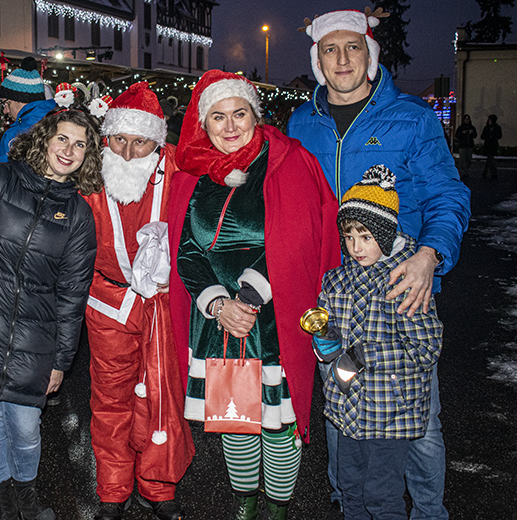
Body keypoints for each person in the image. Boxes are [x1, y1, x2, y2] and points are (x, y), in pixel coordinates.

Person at [287, 8, 471, 520]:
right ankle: (350, 504)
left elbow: (447, 194)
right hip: (336, 290)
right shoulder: (303, 122)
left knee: (418, 418)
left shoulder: (410, 117)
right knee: (340, 403)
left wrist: (430, 257)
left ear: (370, 55)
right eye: (330, 49)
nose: (342, 59)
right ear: (317, 60)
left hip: (399, 287)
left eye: (353, 47)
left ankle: (428, 512)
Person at [167, 70, 340, 520]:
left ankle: (277, 511)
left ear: (255, 115)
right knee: (236, 423)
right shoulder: (197, 174)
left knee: (279, 426)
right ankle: (245, 507)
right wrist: (217, 303)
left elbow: (298, 239)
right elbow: (184, 249)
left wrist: (245, 298)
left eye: (238, 114)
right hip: (218, 322)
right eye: (217, 117)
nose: (229, 127)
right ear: (204, 124)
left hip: (271, 319)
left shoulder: (288, 162)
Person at [0, 107, 101, 520]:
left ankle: (25, 494)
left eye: (80, 144)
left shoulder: (78, 215)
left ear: (88, 156)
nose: (69, 150)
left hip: (35, 343)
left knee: (26, 430)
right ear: (44, 137)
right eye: (63, 138)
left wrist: (62, 359)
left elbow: (72, 293)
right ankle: (4, 499)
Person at [84, 82, 194, 520]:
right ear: (107, 137)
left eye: (140, 141)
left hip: (162, 305)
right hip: (106, 301)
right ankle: (113, 489)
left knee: (161, 398)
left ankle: (157, 487)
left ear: (158, 140)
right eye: (119, 139)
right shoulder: (91, 175)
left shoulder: (179, 170)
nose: (128, 152)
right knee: (110, 401)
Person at [315, 165, 444, 519]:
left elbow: (426, 347)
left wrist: (360, 355)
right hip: (346, 412)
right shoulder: (335, 281)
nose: (355, 247)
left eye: (366, 236)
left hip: (390, 413)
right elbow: (329, 339)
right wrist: (324, 338)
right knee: (350, 490)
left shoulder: (405, 279)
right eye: (349, 236)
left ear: (386, 235)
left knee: (381, 496)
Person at [0, 57, 58, 164]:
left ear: (19, 100)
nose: (5, 111)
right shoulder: (60, 121)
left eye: (6, 104)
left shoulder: (14, 135)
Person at [455, 114, 477, 179]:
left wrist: (472, 133)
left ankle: (466, 171)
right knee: (463, 159)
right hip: (462, 145)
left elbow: (475, 135)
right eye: (465, 119)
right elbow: (457, 135)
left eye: (468, 119)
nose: (467, 120)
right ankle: (464, 172)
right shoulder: (460, 128)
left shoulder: (472, 127)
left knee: (468, 160)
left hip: (469, 145)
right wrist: (462, 133)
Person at [481, 114, 502, 179]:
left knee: (490, 159)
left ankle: (486, 172)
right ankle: (492, 173)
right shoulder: (487, 128)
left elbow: (499, 136)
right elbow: (483, 136)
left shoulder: (496, 128)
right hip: (488, 145)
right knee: (491, 159)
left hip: (492, 145)